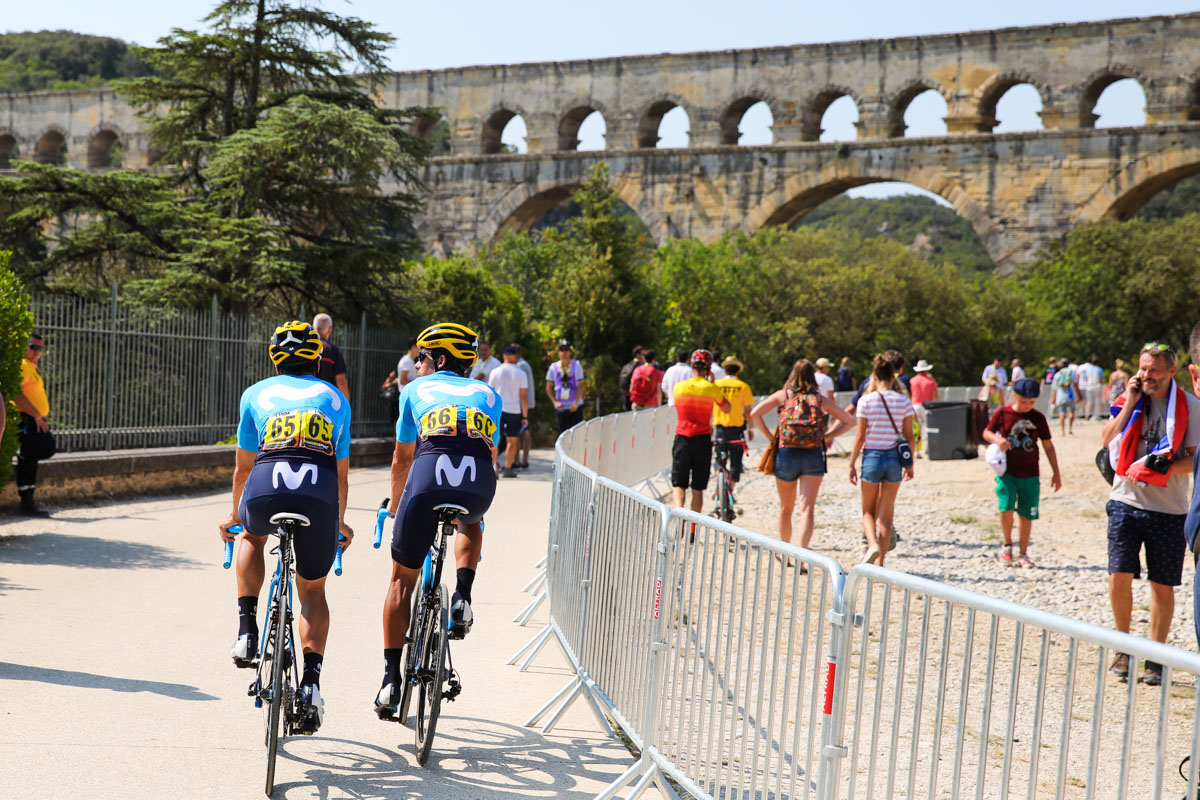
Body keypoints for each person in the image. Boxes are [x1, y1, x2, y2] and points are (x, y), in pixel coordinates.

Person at [218, 321, 354, 735]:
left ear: (274, 358)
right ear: (316, 357)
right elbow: (342, 475)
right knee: (312, 590)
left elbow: (243, 467)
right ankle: (310, 684)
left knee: (250, 536)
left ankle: (246, 629)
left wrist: (234, 514)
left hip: (264, 488)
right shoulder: (335, 397)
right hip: (317, 492)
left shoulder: (254, 394)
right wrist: (339, 524)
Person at [376, 322, 501, 717]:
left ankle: (390, 682)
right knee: (470, 520)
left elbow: (402, 459)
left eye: (422, 358)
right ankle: (462, 596)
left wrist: (395, 505)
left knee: (401, 580)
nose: (417, 364)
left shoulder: (413, 390)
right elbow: (489, 452)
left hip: (429, 478)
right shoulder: (489, 394)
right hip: (478, 483)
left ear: (440, 359)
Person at [1102, 342, 1200, 686]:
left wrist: (1162, 467)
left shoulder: (1190, 407)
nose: (1145, 376)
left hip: (1168, 508)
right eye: (1142, 369)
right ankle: (1123, 646)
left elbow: (1195, 459)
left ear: (1172, 371)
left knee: (1162, 586)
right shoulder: (1128, 399)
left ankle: (1156, 655)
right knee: (1119, 576)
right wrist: (1129, 402)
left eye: (1153, 371)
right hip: (1125, 501)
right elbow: (1106, 439)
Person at [750, 359, 855, 551]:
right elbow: (849, 421)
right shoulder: (819, 399)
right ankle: (803, 553)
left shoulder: (783, 395)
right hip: (813, 454)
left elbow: (755, 413)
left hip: (786, 453)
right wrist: (828, 436)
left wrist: (771, 438)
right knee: (807, 509)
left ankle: (785, 551)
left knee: (786, 509)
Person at [981, 378, 1061, 568]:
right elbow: (986, 432)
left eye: (1031, 402)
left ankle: (1023, 553)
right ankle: (1007, 543)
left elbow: (1048, 446)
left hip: (1031, 473)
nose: (1027, 406)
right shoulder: (1002, 414)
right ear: (1015, 397)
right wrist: (997, 440)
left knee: (1026, 514)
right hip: (1007, 472)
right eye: (1023, 401)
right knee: (1006, 509)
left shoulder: (1038, 418)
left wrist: (1056, 472)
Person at [848, 355, 915, 566]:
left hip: (872, 457)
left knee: (868, 511)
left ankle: (872, 545)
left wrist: (850, 464)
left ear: (875, 377)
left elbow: (860, 436)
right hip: (895, 459)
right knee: (886, 516)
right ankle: (881, 564)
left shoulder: (865, 401)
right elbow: (909, 436)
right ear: (894, 377)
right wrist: (910, 464)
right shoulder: (903, 400)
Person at [671, 350, 731, 512]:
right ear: (708, 368)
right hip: (702, 440)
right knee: (698, 489)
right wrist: (711, 382)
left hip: (682, 438)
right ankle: (692, 529)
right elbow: (727, 408)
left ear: (692, 366)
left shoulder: (679, 387)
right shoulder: (711, 388)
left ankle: (679, 511)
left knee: (678, 484)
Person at [13, 334, 55, 516]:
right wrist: (37, 416)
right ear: (24, 347)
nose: (37, 351)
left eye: (40, 348)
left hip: (34, 420)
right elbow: (16, 394)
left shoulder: (31, 368)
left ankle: (28, 500)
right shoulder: (23, 365)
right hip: (28, 420)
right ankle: (27, 501)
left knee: (34, 455)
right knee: (41, 449)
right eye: (33, 347)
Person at [712, 357, 756, 493]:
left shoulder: (716, 385)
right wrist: (750, 427)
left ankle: (719, 486)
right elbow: (748, 410)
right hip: (737, 430)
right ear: (738, 371)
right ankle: (729, 491)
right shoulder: (743, 386)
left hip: (720, 428)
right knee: (736, 462)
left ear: (725, 370)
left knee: (720, 460)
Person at [487, 344, 529, 478]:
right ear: (515, 357)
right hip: (514, 411)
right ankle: (508, 468)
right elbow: (523, 396)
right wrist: (525, 416)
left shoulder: (495, 371)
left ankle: (493, 466)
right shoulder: (521, 373)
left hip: (497, 410)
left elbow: (490, 393)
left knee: (495, 438)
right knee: (512, 440)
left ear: (504, 356)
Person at [546, 340, 585, 433]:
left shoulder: (576, 365)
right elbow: (548, 387)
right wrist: (554, 402)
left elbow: (581, 385)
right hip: (561, 407)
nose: (564, 352)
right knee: (562, 435)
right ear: (558, 352)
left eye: (566, 349)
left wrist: (576, 402)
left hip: (574, 406)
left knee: (576, 434)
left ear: (570, 352)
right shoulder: (553, 367)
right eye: (561, 350)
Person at [312, 313, 350, 402]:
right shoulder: (333, 350)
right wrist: (346, 404)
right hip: (327, 400)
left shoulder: (306, 348)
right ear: (329, 329)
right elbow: (341, 381)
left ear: (313, 327)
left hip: (307, 398)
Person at [514, 344, 536, 469]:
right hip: (526, 403)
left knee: (520, 432)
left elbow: (521, 388)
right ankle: (524, 460)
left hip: (522, 404)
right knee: (524, 431)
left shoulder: (520, 366)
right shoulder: (524, 364)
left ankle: (519, 460)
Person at [909, 359, 938, 455]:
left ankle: (917, 450)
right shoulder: (931, 381)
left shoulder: (912, 381)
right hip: (927, 406)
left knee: (917, 429)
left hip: (915, 406)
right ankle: (927, 449)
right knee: (928, 428)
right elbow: (935, 395)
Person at [1052, 358, 1077, 435]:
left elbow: (1054, 389)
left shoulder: (1057, 375)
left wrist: (1053, 398)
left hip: (1060, 396)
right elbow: (1076, 385)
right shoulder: (1071, 373)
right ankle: (1070, 429)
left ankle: (1062, 431)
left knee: (1062, 412)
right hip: (1070, 395)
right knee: (1072, 411)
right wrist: (1080, 395)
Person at [1079, 356, 1105, 420]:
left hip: (1089, 387)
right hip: (1097, 387)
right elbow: (1101, 380)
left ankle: (1086, 415)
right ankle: (1097, 415)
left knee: (1089, 402)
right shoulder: (1099, 369)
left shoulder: (1088, 369)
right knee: (1097, 401)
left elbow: (1085, 378)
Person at [618, 346, 644, 410]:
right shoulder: (641, 365)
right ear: (638, 355)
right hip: (637, 398)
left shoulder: (627, 365)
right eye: (643, 354)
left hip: (626, 395)